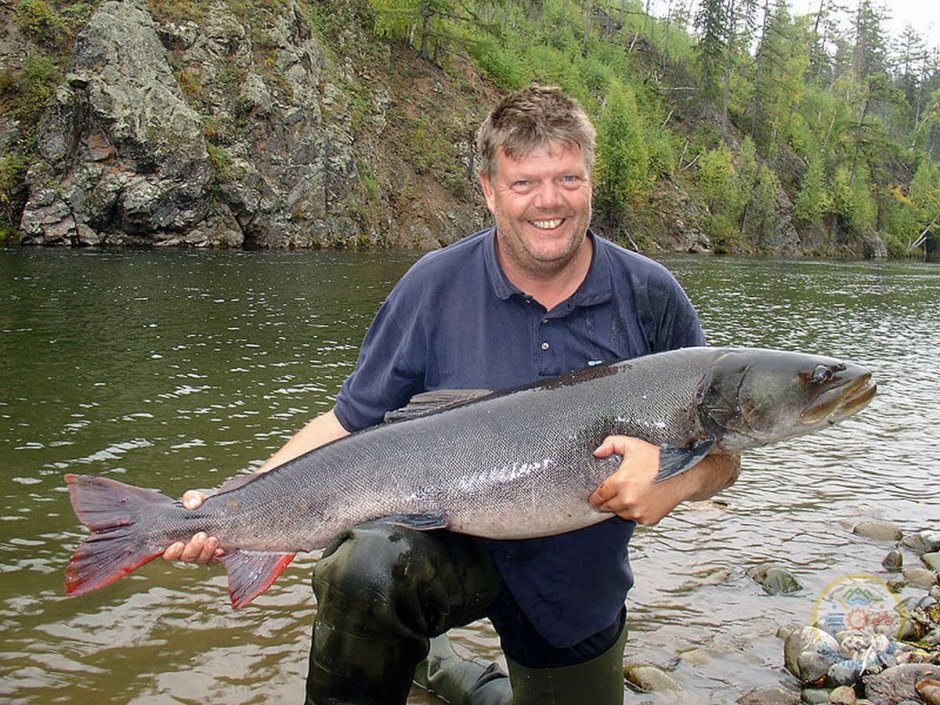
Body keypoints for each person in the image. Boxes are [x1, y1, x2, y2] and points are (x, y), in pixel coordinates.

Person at [163, 85, 740, 705]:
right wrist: (228, 507)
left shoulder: (651, 296)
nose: (549, 201)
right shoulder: (431, 288)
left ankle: (448, 674)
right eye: (524, 184)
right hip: (446, 547)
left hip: (577, 575)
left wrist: (673, 486)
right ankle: (410, 642)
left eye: (567, 178)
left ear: (590, 180)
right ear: (489, 191)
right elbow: (348, 422)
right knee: (365, 567)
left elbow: (723, 456)